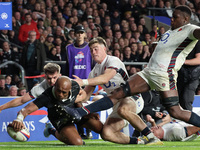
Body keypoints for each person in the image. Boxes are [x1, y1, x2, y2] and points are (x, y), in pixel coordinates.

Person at [62, 5, 200, 139]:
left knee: (175, 111)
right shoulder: (171, 31)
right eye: (172, 17)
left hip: (164, 75)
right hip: (149, 72)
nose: (172, 19)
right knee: (118, 93)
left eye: (175, 17)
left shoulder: (190, 29)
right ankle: (79, 112)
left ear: (186, 19)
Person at [71, 37, 162, 145]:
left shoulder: (113, 60)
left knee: (123, 110)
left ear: (104, 49)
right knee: (106, 133)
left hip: (132, 98)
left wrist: (84, 81)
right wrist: (73, 98)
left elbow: (105, 78)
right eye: (91, 50)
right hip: (116, 104)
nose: (93, 52)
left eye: (96, 49)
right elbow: (85, 96)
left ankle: (151, 137)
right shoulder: (94, 71)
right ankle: (139, 142)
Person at [11, 76, 103, 145]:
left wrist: (85, 112)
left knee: (101, 129)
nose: (60, 95)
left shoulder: (75, 86)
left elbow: (78, 100)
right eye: (58, 91)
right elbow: (26, 109)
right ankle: (51, 130)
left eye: (64, 92)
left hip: (75, 112)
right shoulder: (46, 96)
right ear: (54, 86)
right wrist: (19, 119)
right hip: (59, 118)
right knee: (78, 143)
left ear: (70, 89)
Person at [65, 24, 94, 138]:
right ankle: (81, 132)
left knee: (84, 107)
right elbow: (67, 66)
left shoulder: (89, 47)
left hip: (87, 82)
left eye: (81, 33)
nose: (79, 35)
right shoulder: (69, 48)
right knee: (75, 108)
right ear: (74, 34)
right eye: (77, 33)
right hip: (73, 83)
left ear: (85, 34)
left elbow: (93, 65)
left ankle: (88, 130)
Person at [177, 40, 200, 111]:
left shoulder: (197, 42)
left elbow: (198, 60)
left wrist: (182, 62)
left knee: (186, 99)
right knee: (177, 99)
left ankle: (189, 119)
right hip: (179, 74)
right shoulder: (179, 41)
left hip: (192, 75)